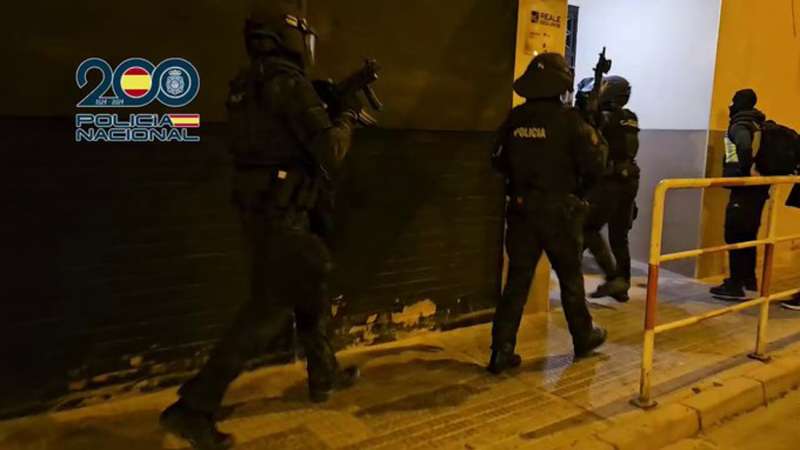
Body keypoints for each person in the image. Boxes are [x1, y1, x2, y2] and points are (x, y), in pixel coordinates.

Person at [159, 2, 362, 449]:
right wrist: (347, 116)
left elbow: (274, 140)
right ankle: (193, 407)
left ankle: (323, 372)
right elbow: (330, 151)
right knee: (267, 312)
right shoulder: (289, 83)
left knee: (310, 286)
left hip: (262, 209)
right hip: (284, 214)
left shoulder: (247, 84)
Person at [488, 53, 609, 374]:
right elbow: (597, 164)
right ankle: (583, 337)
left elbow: (497, 161)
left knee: (516, 283)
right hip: (560, 213)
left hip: (521, 211)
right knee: (570, 279)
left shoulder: (515, 119)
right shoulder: (570, 120)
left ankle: (501, 350)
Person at [580, 76, 641, 303]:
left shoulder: (606, 117)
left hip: (610, 182)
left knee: (587, 228)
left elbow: (591, 123)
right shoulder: (630, 117)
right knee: (619, 237)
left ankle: (609, 278)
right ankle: (621, 285)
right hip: (629, 181)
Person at [710, 89, 769, 301]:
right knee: (749, 235)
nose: (730, 105)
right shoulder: (758, 124)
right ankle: (749, 280)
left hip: (744, 189)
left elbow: (743, 147)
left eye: (733, 101)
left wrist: (743, 172)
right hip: (759, 190)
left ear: (739, 103)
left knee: (734, 234)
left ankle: (735, 285)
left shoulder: (740, 125)